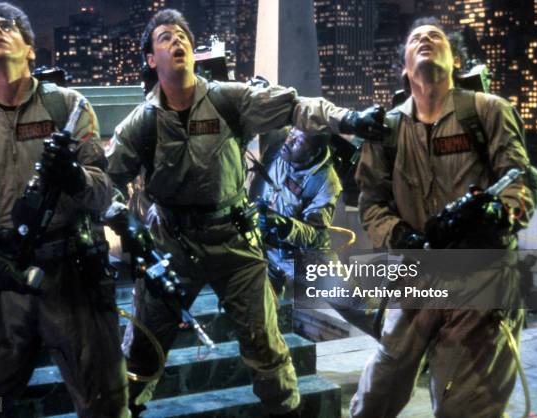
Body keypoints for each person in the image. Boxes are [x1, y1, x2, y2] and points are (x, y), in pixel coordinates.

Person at [106, 9, 389, 417]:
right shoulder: (142, 123)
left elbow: (294, 106)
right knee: (141, 354)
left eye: (183, 34)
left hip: (235, 244)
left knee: (267, 349)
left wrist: (348, 119)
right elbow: (105, 179)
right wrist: (123, 220)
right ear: (151, 59)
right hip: (170, 244)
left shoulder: (227, 100)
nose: (177, 41)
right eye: (165, 37)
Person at [0, 2, 128, 416]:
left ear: (32, 50)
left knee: (104, 402)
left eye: (9, 26)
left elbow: (104, 190)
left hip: (73, 277)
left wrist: (77, 178)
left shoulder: (69, 109)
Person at [351, 17, 535, 417]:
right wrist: (398, 235)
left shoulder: (487, 111)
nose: (426, 39)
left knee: (466, 405)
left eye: (436, 37)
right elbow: (371, 201)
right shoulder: (387, 130)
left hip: (481, 280)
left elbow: (521, 179)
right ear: (404, 67)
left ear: (455, 61)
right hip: (416, 279)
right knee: (375, 396)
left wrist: (497, 213)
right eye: (416, 37)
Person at [256, 127, 341, 295]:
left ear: (314, 152)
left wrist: (284, 225)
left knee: (353, 303)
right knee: (260, 308)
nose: (289, 141)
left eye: (299, 141)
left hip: (302, 256)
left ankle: (387, 316)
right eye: (291, 134)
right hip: (265, 248)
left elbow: (315, 235)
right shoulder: (278, 146)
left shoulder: (326, 182)